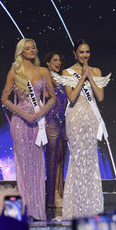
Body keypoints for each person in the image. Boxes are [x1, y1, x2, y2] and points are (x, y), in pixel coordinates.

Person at [53, 39, 110, 219]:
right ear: (74, 53)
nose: (85, 55)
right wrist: (82, 78)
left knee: (91, 158)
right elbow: (71, 97)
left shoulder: (96, 71)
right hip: (75, 118)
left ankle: (92, 206)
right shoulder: (67, 72)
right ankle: (75, 206)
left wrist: (89, 76)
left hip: (91, 118)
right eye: (81, 52)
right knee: (77, 158)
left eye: (87, 52)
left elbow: (100, 96)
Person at [1, 38, 56, 220]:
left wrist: (40, 114)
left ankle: (37, 211)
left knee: (37, 166)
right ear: (21, 52)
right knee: (23, 167)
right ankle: (24, 212)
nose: (32, 50)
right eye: (27, 48)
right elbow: (5, 99)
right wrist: (24, 115)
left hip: (38, 124)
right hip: (20, 124)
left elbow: (52, 98)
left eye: (33, 47)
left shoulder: (43, 71)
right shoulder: (14, 73)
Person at [42, 51, 68, 208]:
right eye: (55, 60)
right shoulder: (44, 79)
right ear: (48, 63)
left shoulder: (63, 80)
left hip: (64, 121)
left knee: (60, 158)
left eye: (60, 60)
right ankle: (51, 197)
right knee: (51, 159)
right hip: (51, 120)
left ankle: (60, 192)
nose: (58, 63)